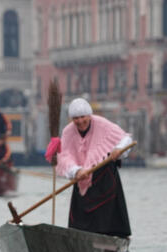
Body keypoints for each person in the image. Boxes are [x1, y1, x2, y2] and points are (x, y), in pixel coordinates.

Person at [55, 98, 132, 238]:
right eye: (76, 118)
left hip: (105, 178)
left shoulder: (102, 124)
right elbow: (65, 156)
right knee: (81, 224)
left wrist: (119, 149)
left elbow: (125, 139)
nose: (80, 121)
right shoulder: (68, 132)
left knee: (108, 221)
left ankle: (111, 243)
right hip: (82, 179)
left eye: (83, 117)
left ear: (89, 116)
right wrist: (76, 170)